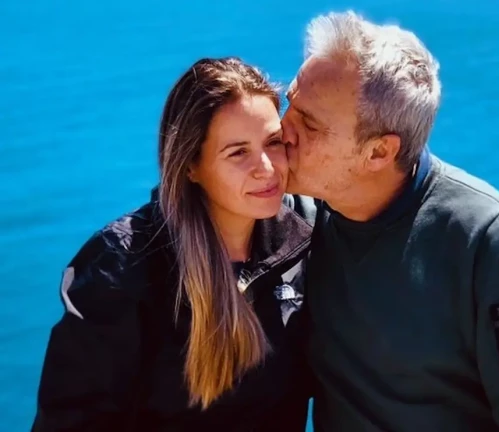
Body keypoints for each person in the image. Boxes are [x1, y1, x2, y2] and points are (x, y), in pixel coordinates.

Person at [282, 11, 499, 432]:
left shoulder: (488, 240)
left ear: (379, 153)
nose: (282, 132)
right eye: (289, 105)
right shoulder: (297, 219)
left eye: (308, 124)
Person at [32, 57, 314, 432]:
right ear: (190, 166)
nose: (266, 166)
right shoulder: (121, 269)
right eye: (238, 152)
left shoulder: (306, 237)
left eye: (273, 142)